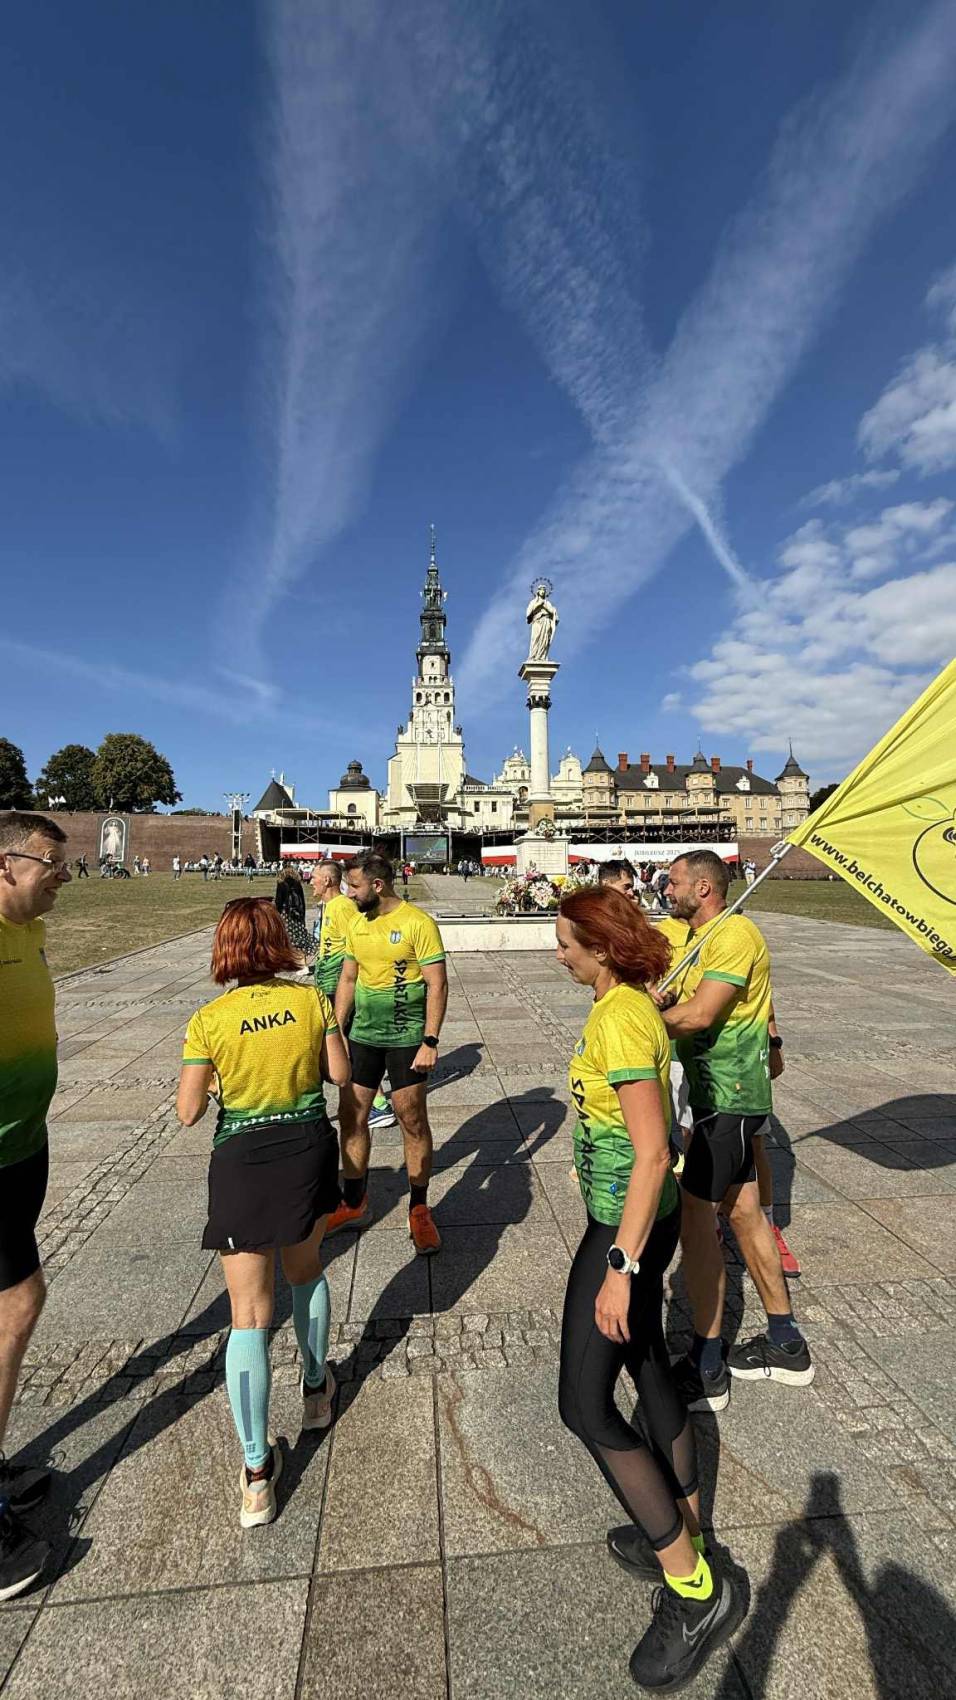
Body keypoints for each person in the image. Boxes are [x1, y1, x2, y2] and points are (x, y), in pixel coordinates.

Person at [556, 887, 745, 1689]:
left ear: (601, 948)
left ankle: (694, 1587)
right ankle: (685, 1527)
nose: (558, 954)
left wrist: (620, 1268)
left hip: (623, 1229)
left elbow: (651, 1150)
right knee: (645, 1368)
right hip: (643, 1217)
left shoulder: (620, 1019)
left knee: (583, 1404)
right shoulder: (631, 1006)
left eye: (566, 943)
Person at [176, 897, 349, 1528]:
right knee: (306, 1271)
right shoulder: (310, 1001)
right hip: (304, 1148)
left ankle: (256, 1475)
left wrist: (220, 1080)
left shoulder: (208, 1019)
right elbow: (339, 1073)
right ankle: (315, 1389)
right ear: (279, 942)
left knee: (248, 1315)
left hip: (243, 1159)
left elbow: (188, 1112)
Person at [657, 851, 813, 1410]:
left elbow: (701, 1014)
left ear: (703, 887)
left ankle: (706, 1365)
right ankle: (786, 1342)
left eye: (674, 881)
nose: (666, 888)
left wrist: (637, 1021)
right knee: (745, 1214)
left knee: (697, 1220)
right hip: (709, 1097)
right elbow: (675, 993)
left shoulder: (735, 934)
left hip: (729, 1098)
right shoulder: (689, 935)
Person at [0, 811, 73, 1597]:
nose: (63, 876)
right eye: (51, 863)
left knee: (12, 1303)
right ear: (5, 865)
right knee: (18, 1302)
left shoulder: (30, 933)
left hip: (25, 1145)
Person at [326, 853, 447, 1254]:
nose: (349, 894)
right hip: (364, 1036)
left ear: (377, 886)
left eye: (355, 886)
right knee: (352, 1116)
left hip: (407, 1038)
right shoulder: (357, 923)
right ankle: (354, 1202)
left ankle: (419, 1209)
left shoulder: (417, 923)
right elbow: (348, 978)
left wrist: (430, 1040)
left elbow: (437, 984)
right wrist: (336, 1031)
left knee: (411, 1120)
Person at [312, 860, 395, 1134]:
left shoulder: (342, 907)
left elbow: (360, 940)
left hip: (339, 985)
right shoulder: (331, 906)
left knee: (343, 1041)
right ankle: (366, 1100)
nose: (310, 881)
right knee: (337, 1042)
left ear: (327, 880)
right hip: (329, 982)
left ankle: (377, 1103)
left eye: (314, 877)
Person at [274, 865, 312, 958]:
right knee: (298, 935)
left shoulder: (281, 883)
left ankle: (287, 956)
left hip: (286, 913)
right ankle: (300, 956)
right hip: (297, 912)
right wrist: (302, 914)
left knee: (285, 935)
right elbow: (302, 900)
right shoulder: (297, 883)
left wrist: (277, 912)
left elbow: (279, 900)